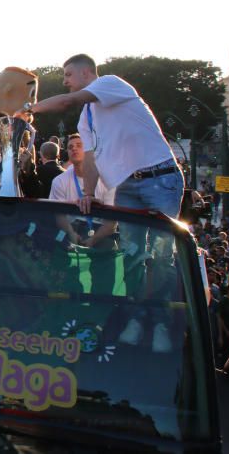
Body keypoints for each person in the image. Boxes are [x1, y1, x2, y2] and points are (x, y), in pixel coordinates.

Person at [30, 53, 184, 353]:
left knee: (161, 255)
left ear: (87, 73)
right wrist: (87, 193)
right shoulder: (86, 117)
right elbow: (90, 157)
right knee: (132, 255)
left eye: (68, 75)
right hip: (126, 185)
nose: (64, 81)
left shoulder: (112, 85)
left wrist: (29, 109)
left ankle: (161, 322)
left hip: (159, 178)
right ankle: (138, 318)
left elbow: (63, 101)